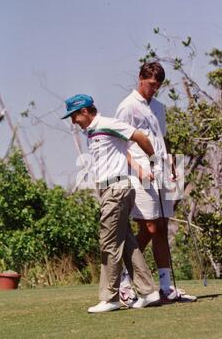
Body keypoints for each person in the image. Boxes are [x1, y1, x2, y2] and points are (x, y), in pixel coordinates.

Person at [61, 93, 161, 313]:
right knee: (126, 243)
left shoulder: (108, 124)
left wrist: (154, 163)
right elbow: (122, 152)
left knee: (108, 244)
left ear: (84, 111)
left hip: (116, 190)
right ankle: (149, 291)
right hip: (110, 190)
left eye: (74, 116)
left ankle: (110, 298)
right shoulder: (93, 132)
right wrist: (136, 167)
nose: (73, 121)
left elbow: (141, 138)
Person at [116, 62, 197, 304]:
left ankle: (166, 287)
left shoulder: (159, 107)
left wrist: (173, 166)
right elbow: (119, 145)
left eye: (158, 86)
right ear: (140, 78)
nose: (154, 90)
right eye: (151, 85)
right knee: (149, 229)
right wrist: (138, 169)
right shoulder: (126, 107)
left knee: (162, 227)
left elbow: (163, 140)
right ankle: (122, 277)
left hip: (163, 170)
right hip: (139, 172)